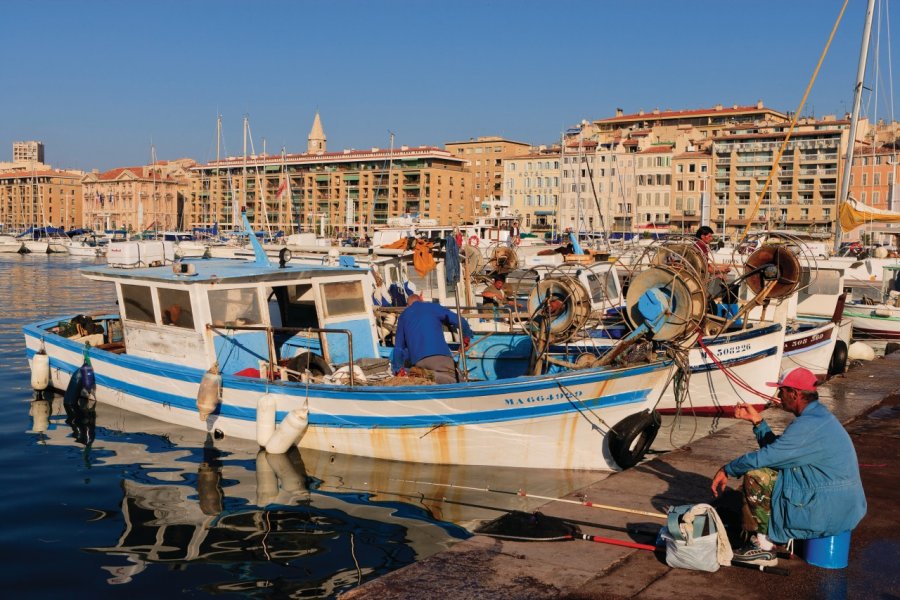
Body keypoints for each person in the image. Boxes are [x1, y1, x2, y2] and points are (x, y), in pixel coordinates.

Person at [711, 367, 867, 567]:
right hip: (841, 505)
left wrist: (727, 469)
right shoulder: (819, 418)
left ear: (795, 393)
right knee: (769, 472)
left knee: (756, 476)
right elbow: (781, 453)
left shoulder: (808, 426)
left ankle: (764, 547)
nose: (779, 395)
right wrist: (758, 422)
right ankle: (771, 535)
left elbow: (769, 457)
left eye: (782, 391)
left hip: (828, 510)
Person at [391, 294, 474, 384]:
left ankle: (426, 374)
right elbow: (460, 321)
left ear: (408, 305)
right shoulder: (432, 307)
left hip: (418, 362)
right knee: (459, 381)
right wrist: (466, 339)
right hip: (439, 356)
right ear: (421, 300)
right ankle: (430, 375)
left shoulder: (403, 316)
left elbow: (398, 347)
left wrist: (398, 369)